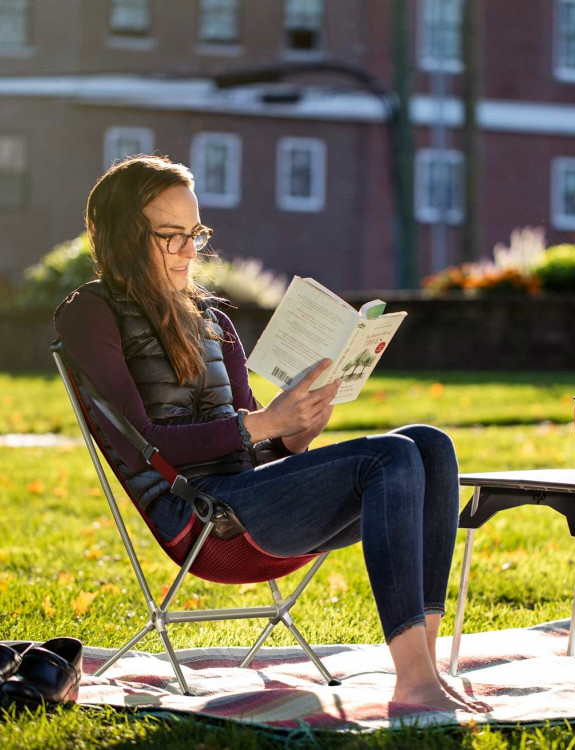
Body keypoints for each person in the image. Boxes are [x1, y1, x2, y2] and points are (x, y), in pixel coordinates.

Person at [55, 155, 488, 713]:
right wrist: (265, 423)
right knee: (391, 456)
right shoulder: (91, 313)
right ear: (122, 237)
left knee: (431, 445)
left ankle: (424, 666)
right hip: (204, 522)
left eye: (196, 234)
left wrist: (294, 434)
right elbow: (143, 440)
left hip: (253, 501)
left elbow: (255, 446)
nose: (191, 252)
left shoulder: (214, 320)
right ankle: (413, 683)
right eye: (171, 237)